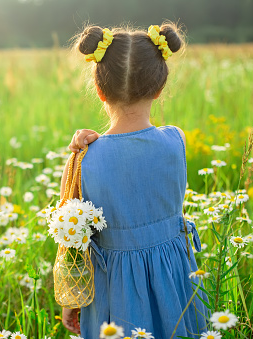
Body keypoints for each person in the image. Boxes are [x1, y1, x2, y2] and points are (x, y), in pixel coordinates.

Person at [58, 23, 210, 339]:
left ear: (99, 90)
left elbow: (70, 233)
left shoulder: (83, 158)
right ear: (159, 87)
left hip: (113, 287)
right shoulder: (176, 141)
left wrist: (72, 297)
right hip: (174, 275)